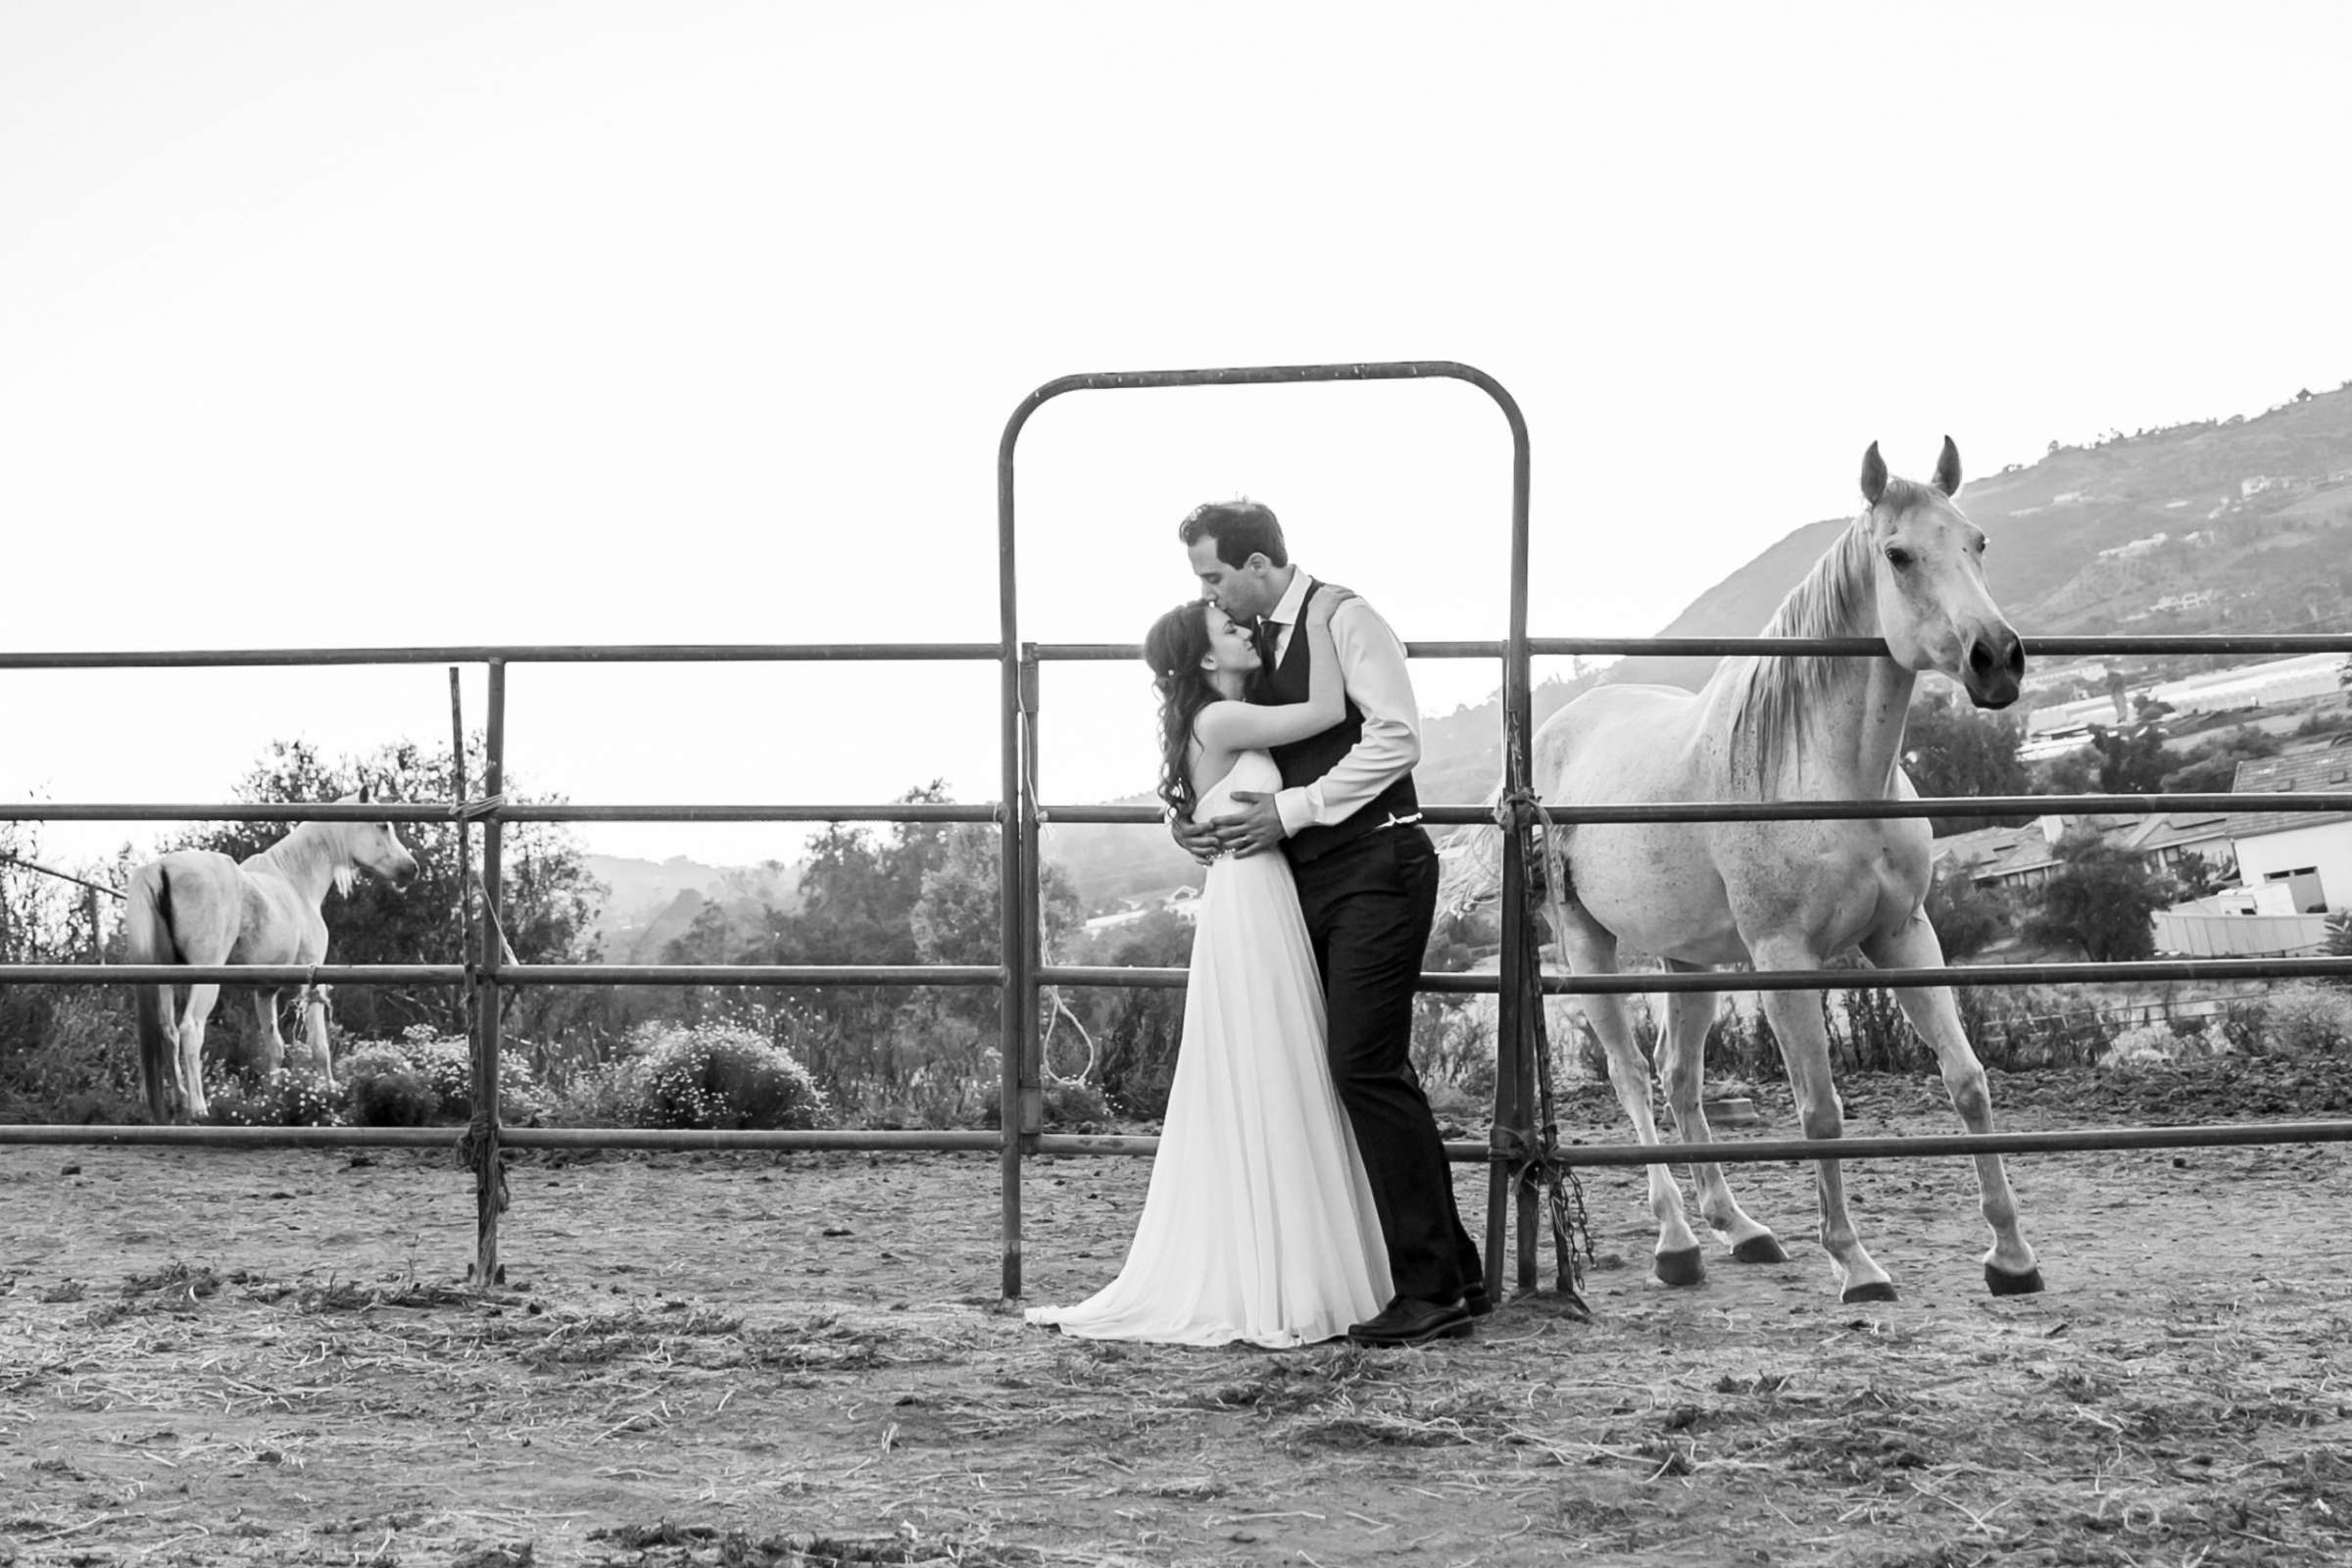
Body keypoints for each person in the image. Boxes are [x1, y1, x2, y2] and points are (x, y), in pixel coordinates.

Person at [1025, 586, 1392, 1347]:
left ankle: (1288, 1262)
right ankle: (1291, 1273)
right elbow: (1327, 712)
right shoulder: (1221, 718)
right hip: (1254, 897)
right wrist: (1322, 619)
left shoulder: (1217, 717)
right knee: (1278, 1064)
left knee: (1278, 1065)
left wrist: (1177, 819)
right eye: (1229, 626)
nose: (1243, 627)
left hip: (1255, 892)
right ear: (1202, 656)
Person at [1171, 499, 1485, 1348]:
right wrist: (1194, 815)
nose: (1209, 594)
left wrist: (1290, 810)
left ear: (1258, 563)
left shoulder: (1347, 619)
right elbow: (1220, 751)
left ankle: (1432, 1291)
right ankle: (1456, 1271)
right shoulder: (1250, 651)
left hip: (1378, 867)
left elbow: (1396, 740)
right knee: (1343, 1070)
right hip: (1303, 884)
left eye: (1213, 575)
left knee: (1363, 1068)